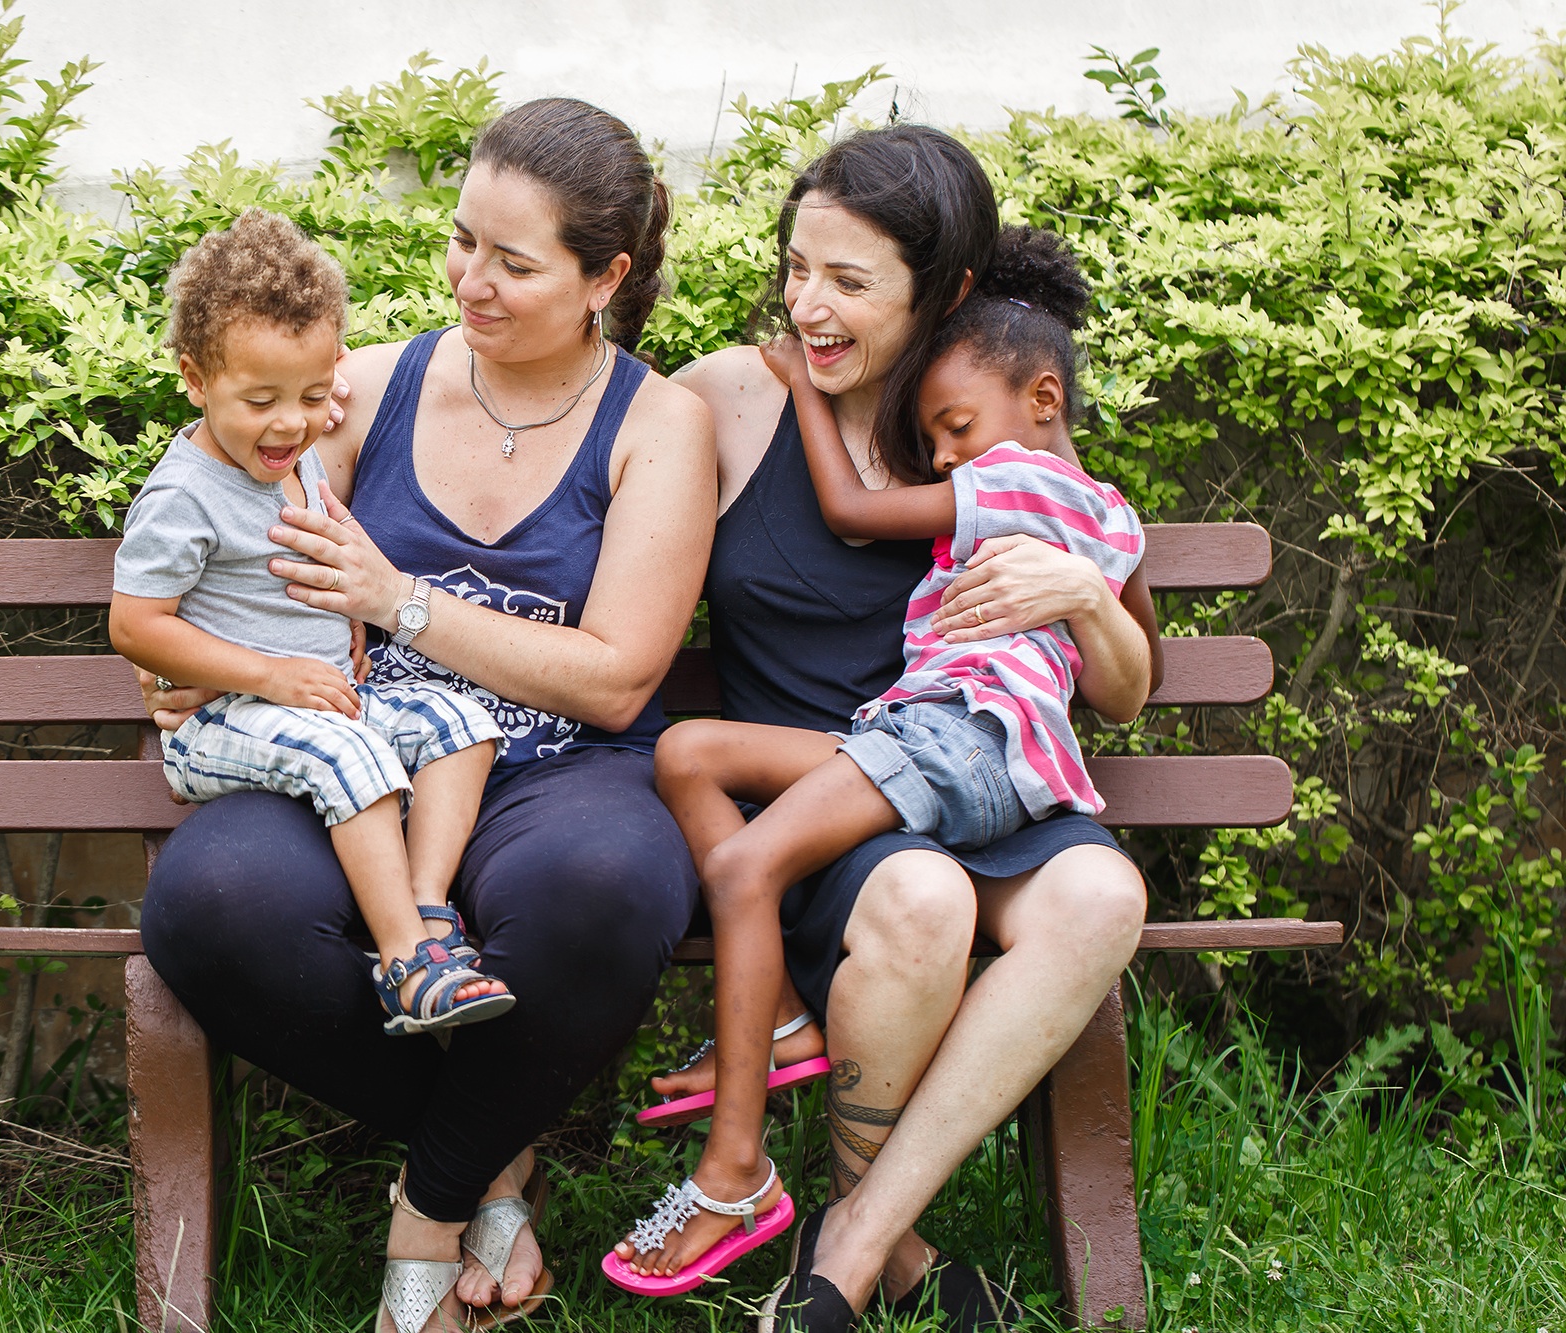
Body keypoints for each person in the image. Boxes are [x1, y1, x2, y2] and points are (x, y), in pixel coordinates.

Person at [127, 100, 715, 1333]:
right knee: (213, 903)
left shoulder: (658, 425)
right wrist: (199, 665)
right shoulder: (365, 387)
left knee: (606, 888)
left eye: (514, 262)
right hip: (365, 761)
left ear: (604, 275)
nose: (471, 281)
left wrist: (400, 600)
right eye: (462, 243)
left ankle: (425, 1214)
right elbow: (240, 560)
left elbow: (614, 675)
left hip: (563, 768)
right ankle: (491, 1162)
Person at [669, 125, 1162, 1331]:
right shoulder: (734, 394)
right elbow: (578, 471)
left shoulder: (986, 419)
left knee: (1101, 899)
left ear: (940, 293)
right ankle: (882, 1253)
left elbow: (1124, 691)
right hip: (833, 797)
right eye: (796, 270)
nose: (807, 308)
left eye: (846, 282)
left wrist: (1083, 596)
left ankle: (842, 1252)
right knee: (920, 896)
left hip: (981, 771)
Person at [109, 210, 514, 1039]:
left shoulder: (296, 449)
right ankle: (403, 962)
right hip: (222, 718)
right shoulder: (185, 494)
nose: (290, 423)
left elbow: (301, 520)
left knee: (459, 720)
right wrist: (271, 674)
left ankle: (430, 915)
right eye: (260, 400)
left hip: (316, 697)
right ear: (194, 378)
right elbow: (135, 625)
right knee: (352, 750)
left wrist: (339, 634)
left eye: (312, 395)